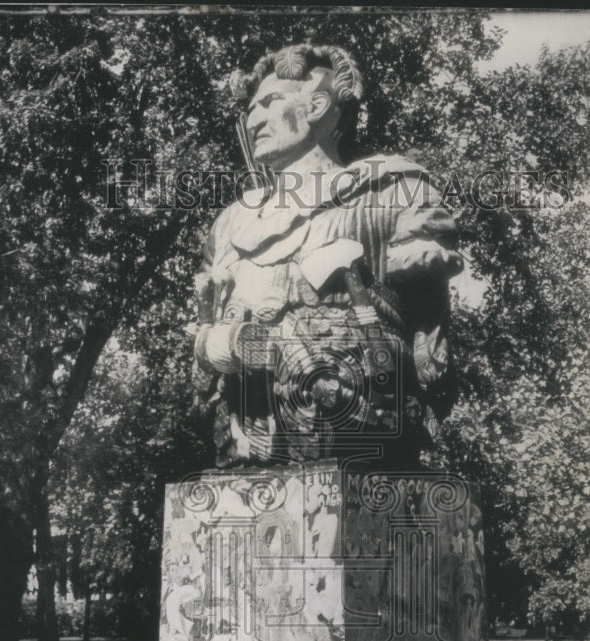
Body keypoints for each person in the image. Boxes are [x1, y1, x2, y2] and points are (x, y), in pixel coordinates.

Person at [192, 42, 463, 470]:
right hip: (246, 449)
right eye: (251, 108)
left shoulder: (392, 191)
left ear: (318, 105)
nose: (253, 118)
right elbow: (204, 345)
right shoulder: (229, 224)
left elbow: (425, 342)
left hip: (359, 445)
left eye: (269, 102)